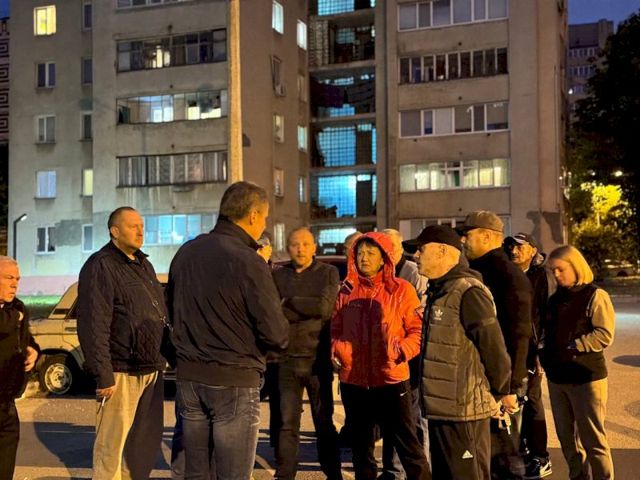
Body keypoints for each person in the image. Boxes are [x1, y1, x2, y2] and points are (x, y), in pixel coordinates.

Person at [166, 181, 289, 479]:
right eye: (264, 217)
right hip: (234, 378)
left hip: (190, 378)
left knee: (195, 474)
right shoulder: (248, 260)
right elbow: (276, 332)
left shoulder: (186, 253)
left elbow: (168, 312)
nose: (264, 225)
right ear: (252, 215)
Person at [403, 225, 512, 479]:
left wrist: (500, 393)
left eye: (421, 249)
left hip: (464, 413)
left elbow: (493, 348)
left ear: (442, 251)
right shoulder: (438, 290)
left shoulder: (468, 291)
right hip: (440, 410)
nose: (416, 256)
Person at [331, 232, 431, 480]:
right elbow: (335, 328)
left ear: (383, 258)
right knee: (361, 449)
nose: (364, 258)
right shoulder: (346, 291)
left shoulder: (401, 290)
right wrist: (337, 350)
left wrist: (400, 350)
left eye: (370, 253)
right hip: (354, 380)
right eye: (360, 253)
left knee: (408, 445)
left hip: (391, 379)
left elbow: (418, 330)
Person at [77, 207, 167, 480]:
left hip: (151, 369)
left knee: (139, 448)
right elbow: (94, 323)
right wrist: (103, 373)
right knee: (111, 447)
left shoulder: (143, 264)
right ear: (114, 231)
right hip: (121, 371)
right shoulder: (101, 265)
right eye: (132, 226)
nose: (140, 231)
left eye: (142, 226)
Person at [457, 210, 532, 480]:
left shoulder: (506, 274)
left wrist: (510, 386)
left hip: (501, 381)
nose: (462, 240)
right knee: (483, 454)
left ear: (488, 236)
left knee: (503, 455)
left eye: (467, 234)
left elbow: (519, 333)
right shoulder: (477, 270)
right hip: (481, 376)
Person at [272, 227, 342, 480]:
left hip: (317, 360)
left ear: (314, 247)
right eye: (294, 244)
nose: (300, 249)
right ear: (287, 248)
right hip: (286, 360)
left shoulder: (328, 272)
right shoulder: (279, 275)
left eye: (305, 244)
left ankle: (333, 473)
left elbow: (325, 308)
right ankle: (285, 474)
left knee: (324, 422)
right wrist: (304, 306)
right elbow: (273, 312)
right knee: (287, 423)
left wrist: (289, 302)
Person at [542, 245, 615, 480]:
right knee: (567, 441)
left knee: (593, 440)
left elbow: (604, 334)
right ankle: (578, 476)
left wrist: (575, 346)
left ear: (576, 267)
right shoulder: (555, 299)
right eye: (552, 270)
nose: (556, 275)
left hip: (586, 378)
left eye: (560, 269)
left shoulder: (595, 296)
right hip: (557, 378)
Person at [504, 233, 556, 479]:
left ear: (533, 250)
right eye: (512, 246)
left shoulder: (542, 276)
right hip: (511, 348)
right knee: (517, 399)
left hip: (533, 349)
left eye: (520, 247)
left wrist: (542, 350)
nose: (514, 251)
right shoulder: (509, 273)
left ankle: (541, 457)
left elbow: (549, 315)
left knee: (533, 400)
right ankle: (524, 448)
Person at [380, 228, 429, 480]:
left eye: (390, 247)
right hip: (387, 358)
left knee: (414, 417)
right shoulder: (381, 273)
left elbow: (419, 316)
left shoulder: (412, 272)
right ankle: (393, 470)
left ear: (399, 249)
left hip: (410, 355)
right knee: (393, 417)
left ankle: (419, 470)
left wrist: (405, 348)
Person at [0, 256, 39, 480]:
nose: (14, 284)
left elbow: (26, 339)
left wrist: (33, 351)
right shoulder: (16, 313)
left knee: (5, 467)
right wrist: (15, 317)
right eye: (8, 278)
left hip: (8, 400)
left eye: (17, 279)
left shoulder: (18, 308)